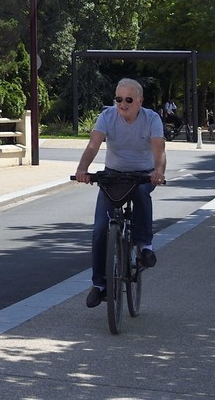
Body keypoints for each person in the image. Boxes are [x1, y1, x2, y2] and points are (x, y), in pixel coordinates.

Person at [74, 78, 167, 308]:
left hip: (143, 174)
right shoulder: (107, 117)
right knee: (99, 229)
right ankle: (100, 285)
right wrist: (82, 169)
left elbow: (159, 149)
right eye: (118, 99)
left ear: (139, 101)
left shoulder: (151, 119)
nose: (122, 104)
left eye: (128, 99)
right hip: (113, 174)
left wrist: (158, 171)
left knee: (142, 194)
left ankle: (145, 246)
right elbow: (94, 145)